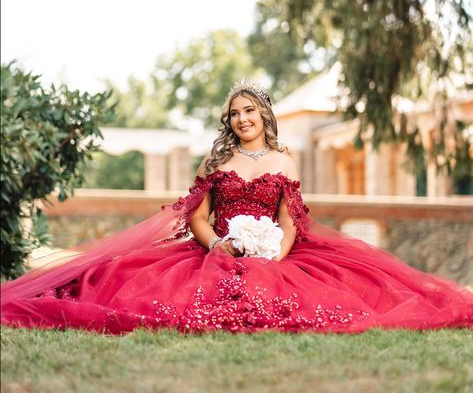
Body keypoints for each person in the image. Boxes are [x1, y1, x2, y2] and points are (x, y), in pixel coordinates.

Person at [1, 81, 473, 334]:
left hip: (275, 255)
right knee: (125, 285)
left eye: (249, 111)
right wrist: (220, 245)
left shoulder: (285, 158)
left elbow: (290, 221)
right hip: (213, 251)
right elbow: (196, 217)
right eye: (234, 113)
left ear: (264, 115)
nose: (241, 119)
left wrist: (276, 253)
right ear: (228, 121)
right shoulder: (217, 159)